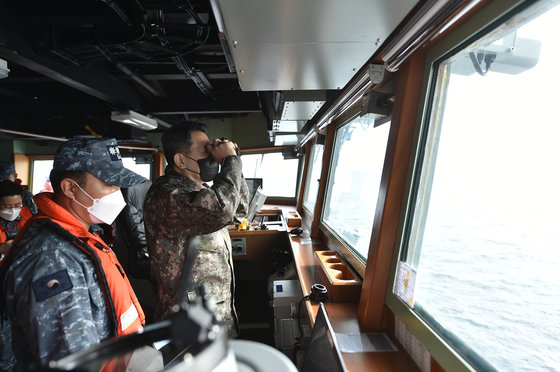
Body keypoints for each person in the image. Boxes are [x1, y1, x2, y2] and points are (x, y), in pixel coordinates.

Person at [0, 137, 147, 370]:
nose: (117, 193)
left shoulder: (83, 234)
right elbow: (72, 360)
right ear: (70, 187)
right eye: (109, 184)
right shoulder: (50, 259)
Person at [144, 121, 249, 337]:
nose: (212, 158)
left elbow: (239, 210)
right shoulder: (167, 196)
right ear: (180, 160)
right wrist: (229, 161)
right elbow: (222, 211)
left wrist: (234, 161)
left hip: (213, 309)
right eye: (206, 152)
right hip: (189, 319)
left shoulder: (199, 189)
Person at [0, 180, 33, 371]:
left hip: (24, 287)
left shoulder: (27, 215)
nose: (13, 210)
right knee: (5, 350)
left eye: (17, 205)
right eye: (7, 206)